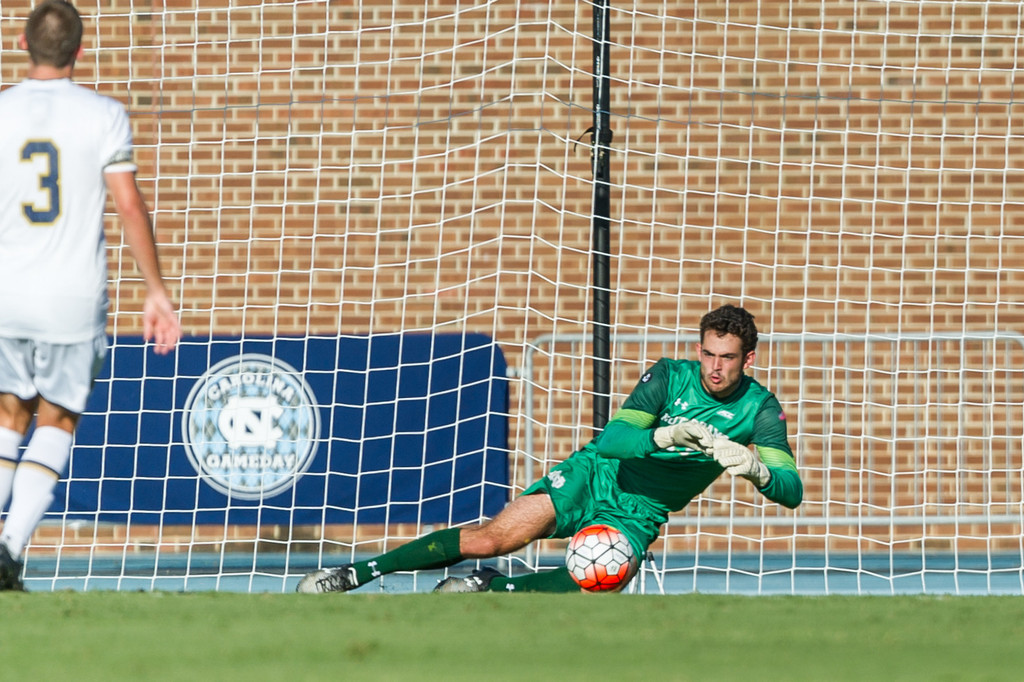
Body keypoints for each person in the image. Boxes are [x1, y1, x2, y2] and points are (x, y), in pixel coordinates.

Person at [297, 304, 801, 594]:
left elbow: (792, 490)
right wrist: (664, 436)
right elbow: (614, 439)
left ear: (748, 358)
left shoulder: (759, 409)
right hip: (598, 473)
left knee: (596, 580)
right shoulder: (670, 376)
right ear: (699, 349)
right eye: (709, 353)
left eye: (728, 358)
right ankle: (355, 572)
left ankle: (491, 589)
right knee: (491, 538)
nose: (715, 367)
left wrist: (756, 469)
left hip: (642, 510)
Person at [0, 0, 181, 591]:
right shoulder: (104, 114)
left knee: (7, 415)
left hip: (7, 292)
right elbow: (128, 204)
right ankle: (9, 548)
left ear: (25, 46)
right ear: (79, 51)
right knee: (56, 417)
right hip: (72, 299)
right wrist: (156, 291)